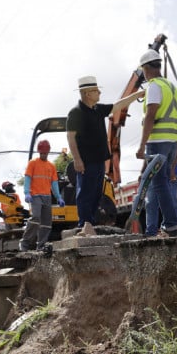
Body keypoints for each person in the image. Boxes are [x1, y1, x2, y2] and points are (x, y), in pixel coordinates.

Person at [66, 75, 143, 235]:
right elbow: (70, 137)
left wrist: (136, 95)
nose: (99, 92)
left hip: (99, 160)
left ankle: (90, 223)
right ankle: (84, 223)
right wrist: (77, 160)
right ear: (87, 93)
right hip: (85, 162)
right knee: (85, 193)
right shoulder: (76, 113)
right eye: (96, 90)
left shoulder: (98, 109)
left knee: (96, 193)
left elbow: (118, 105)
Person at [136, 49, 177, 238]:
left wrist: (141, 145)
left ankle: (170, 225)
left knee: (160, 184)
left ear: (147, 68)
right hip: (172, 141)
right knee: (161, 185)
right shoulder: (171, 86)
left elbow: (150, 115)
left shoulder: (154, 86)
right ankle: (165, 226)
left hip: (158, 141)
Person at [19, 139, 65, 252]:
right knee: (35, 217)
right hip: (35, 196)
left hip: (47, 197)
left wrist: (58, 197)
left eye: (45, 153)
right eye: (42, 153)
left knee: (46, 223)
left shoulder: (51, 166)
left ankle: (41, 246)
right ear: (39, 152)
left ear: (48, 152)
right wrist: (27, 193)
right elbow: (28, 179)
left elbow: (54, 183)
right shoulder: (33, 163)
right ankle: (24, 243)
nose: (43, 155)